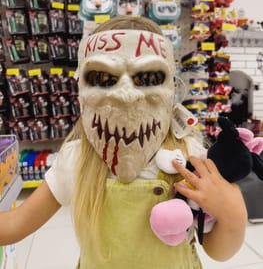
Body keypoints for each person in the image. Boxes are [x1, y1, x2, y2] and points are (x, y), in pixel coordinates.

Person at [0, 16, 247, 269]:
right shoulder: (77, 160)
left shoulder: (189, 157)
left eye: (149, 78)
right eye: (102, 79)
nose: (126, 96)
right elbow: (16, 224)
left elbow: (218, 251)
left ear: (172, 87)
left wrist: (234, 215)